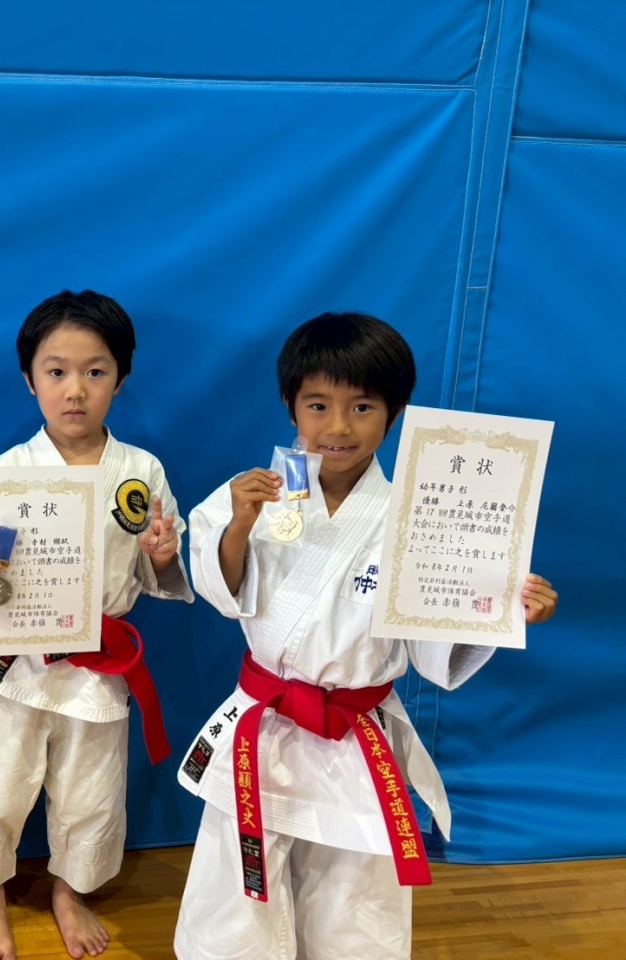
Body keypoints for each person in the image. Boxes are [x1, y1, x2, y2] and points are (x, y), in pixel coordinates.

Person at [174, 311, 559, 960]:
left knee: (353, 898)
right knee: (239, 892)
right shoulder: (254, 495)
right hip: (265, 723)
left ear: (394, 414)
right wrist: (239, 524)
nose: (338, 427)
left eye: (362, 407)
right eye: (318, 405)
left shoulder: (417, 514)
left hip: (354, 733)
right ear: (291, 407)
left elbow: (436, 638)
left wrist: (507, 609)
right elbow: (223, 589)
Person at [0, 290, 194, 960]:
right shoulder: (3, 474)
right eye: (56, 371)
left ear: (121, 378)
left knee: (91, 791)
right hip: (17, 661)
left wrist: (162, 556)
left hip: (99, 664)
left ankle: (70, 890)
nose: (75, 390)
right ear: (30, 379)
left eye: (95, 371)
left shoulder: (140, 472)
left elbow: (159, 576)